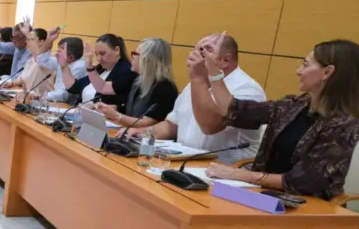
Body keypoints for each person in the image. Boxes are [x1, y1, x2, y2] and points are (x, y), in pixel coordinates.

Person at [189, 34, 359, 199]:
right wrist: (213, 70)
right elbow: (234, 110)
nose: (298, 71)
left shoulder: (344, 124)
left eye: (305, 65)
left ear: (327, 72)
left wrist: (241, 175)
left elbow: (305, 181)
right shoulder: (294, 104)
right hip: (265, 195)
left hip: (308, 209)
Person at [127, 34, 266, 160]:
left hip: (223, 172)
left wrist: (198, 79)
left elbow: (211, 125)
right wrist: (144, 133)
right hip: (183, 162)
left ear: (225, 60)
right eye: (195, 51)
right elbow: (172, 124)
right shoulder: (194, 84)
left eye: (203, 53)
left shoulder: (247, 89)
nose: (194, 58)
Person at [98, 38, 178, 128]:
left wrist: (116, 116)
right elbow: (132, 111)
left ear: (148, 59)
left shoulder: (165, 87)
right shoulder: (138, 80)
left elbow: (148, 123)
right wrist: (112, 108)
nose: (132, 57)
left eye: (135, 54)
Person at [83, 33, 135, 111]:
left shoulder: (126, 70)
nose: (99, 58)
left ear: (117, 50)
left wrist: (90, 67)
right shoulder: (101, 67)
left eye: (103, 53)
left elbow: (102, 88)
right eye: (96, 54)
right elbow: (78, 86)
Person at [49, 37, 90, 103]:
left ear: (71, 57)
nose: (56, 54)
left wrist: (44, 96)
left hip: (69, 106)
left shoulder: (79, 66)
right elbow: (42, 60)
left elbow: (64, 95)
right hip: (58, 102)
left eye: (60, 51)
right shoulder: (64, 61)